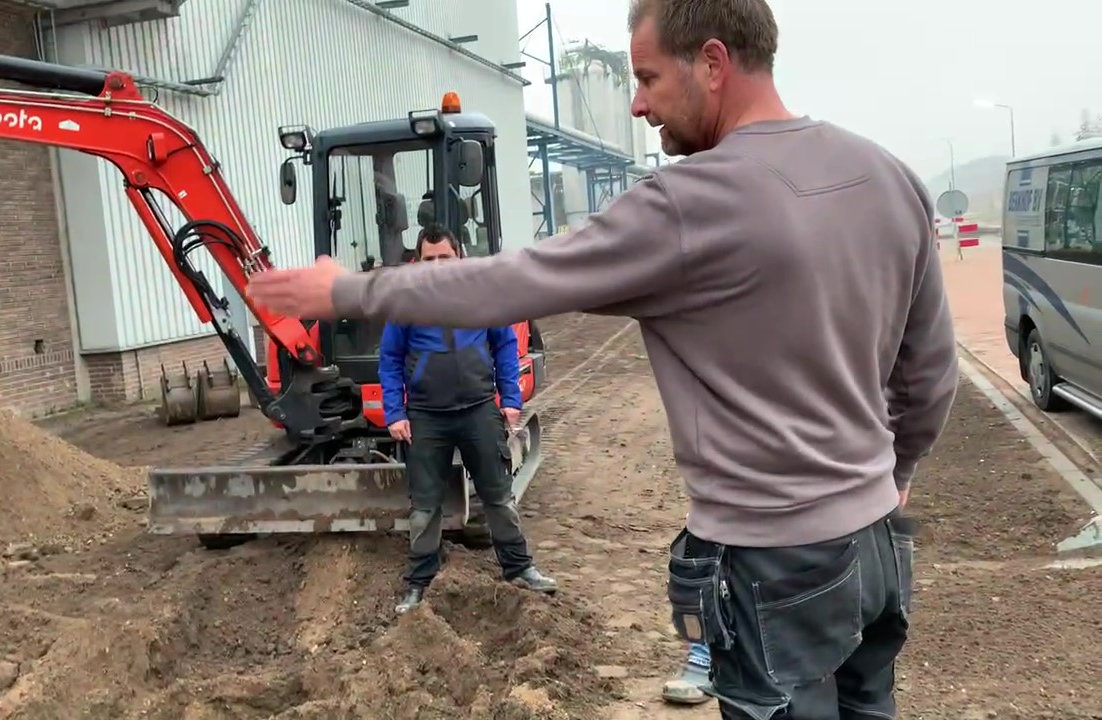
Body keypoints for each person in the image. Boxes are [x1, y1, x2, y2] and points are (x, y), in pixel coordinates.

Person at [246, 0, 959, 717]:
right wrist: (892, 475)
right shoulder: (888, 177)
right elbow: (929, 375)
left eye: (647, 78)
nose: (640, 105)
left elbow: (509, 282)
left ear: (712, 63)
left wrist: (349, 289)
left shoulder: (691, 203)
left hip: (774, 564)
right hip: (877, 551)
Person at [379, 225, 557, 614]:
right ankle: (420, 581)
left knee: (498, 497)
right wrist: (394, 412)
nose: (438, 265)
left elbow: (505, 345)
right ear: (418, 261)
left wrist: (510, 400)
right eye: (430, 259)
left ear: (459, 257)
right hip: (426, 417)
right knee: (425, 506)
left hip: (478, 410)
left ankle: (519, 567)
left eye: (445, 257)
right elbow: (390, 360)